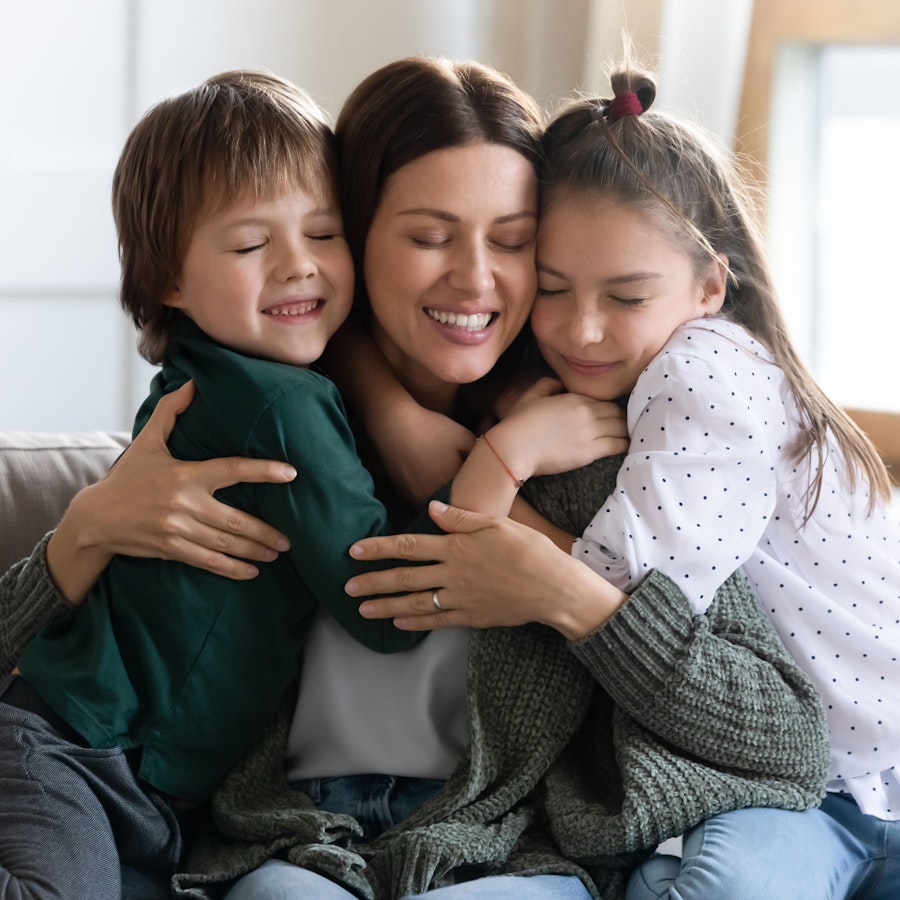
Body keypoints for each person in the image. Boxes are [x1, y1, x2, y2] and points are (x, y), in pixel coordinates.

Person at [0, 57, 828, 900]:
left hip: (489, 855)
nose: (475, 278)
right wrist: (85, 531)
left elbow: (785, 735)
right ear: (355, 234)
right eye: (429, 236)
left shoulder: (587, 445)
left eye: (512, 243)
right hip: (284, 843)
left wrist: (565, 584)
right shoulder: (257, 422)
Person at [346, 61, 900, 899]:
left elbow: (612, 595)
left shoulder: (701, 371)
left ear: (712, 284)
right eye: (555, 287)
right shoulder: (614, 362)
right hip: (785, 774)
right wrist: (379, 391)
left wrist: (493, 469)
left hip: (846, 771)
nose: (582, 328)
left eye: (626, 296)